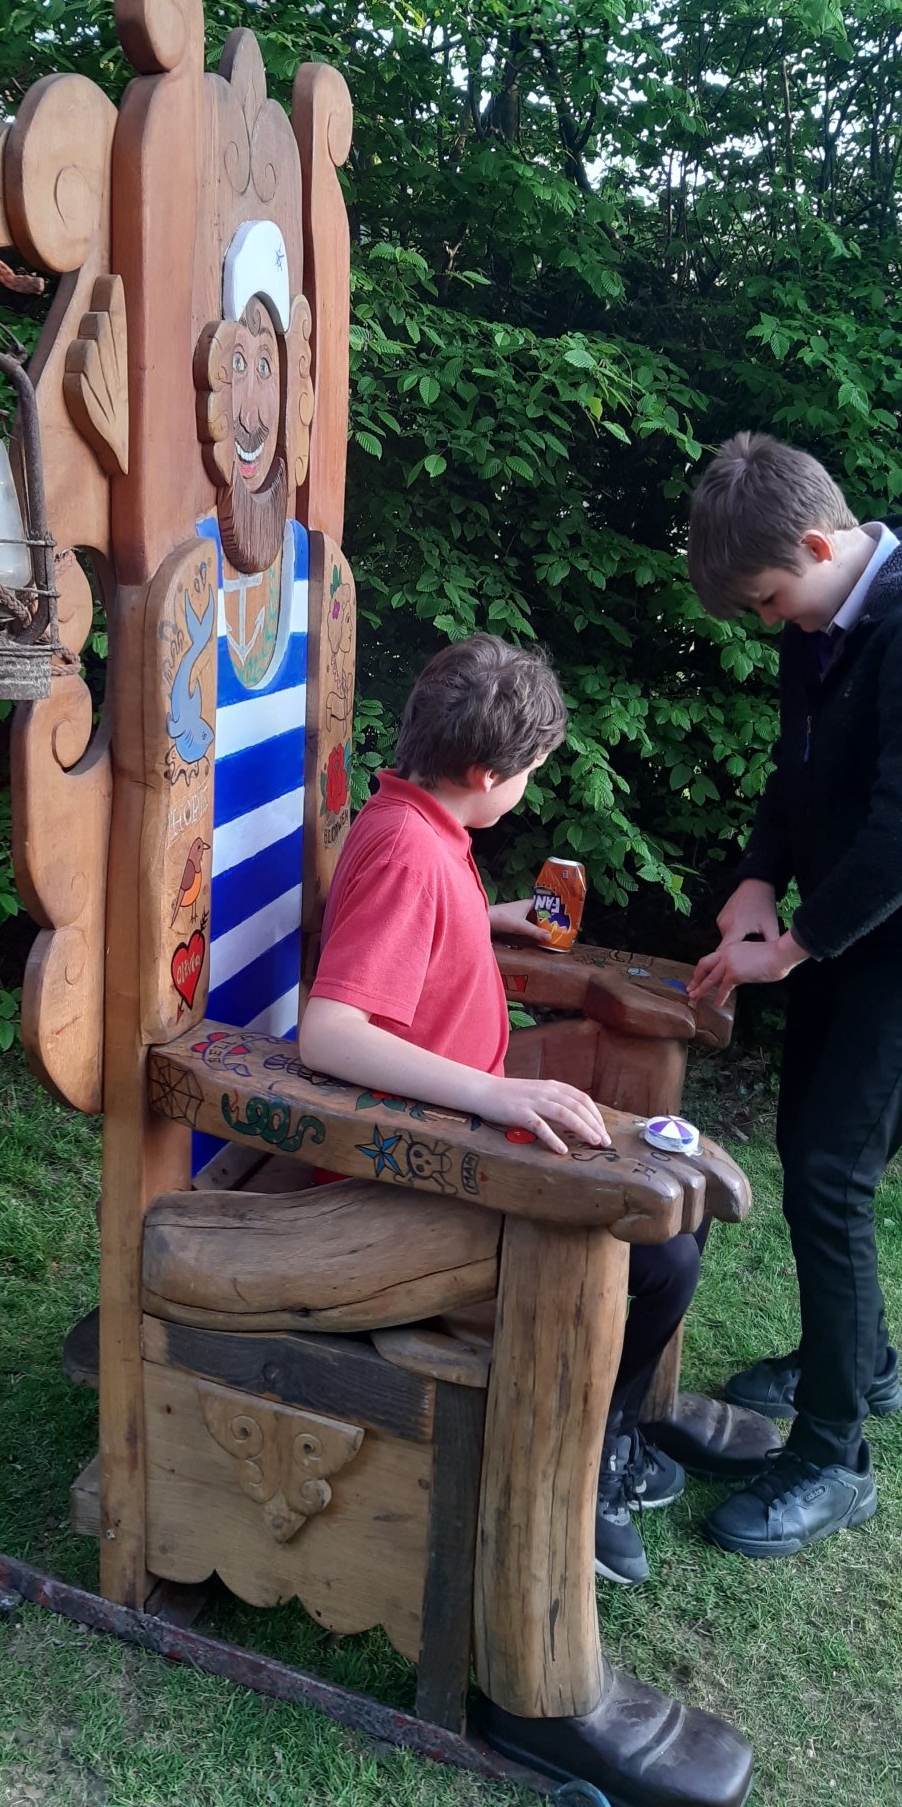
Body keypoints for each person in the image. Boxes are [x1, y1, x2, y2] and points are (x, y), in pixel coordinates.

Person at [300, 632, 702, 1587]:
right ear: (485, 772)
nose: (527, 790)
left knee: (673, 1211)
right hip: (411, 1172)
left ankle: (608, 1433)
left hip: (456, 1141)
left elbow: (401, 927)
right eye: (527, 774)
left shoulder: (420, 823)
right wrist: (498, 1091)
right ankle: (585, 1465)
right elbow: (330, 1033)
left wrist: (491, 919)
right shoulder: (410, 851)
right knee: (661, 1256)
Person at [686, 430, 902, 1561]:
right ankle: (854, 1360)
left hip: (887, 946)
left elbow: (896, 832)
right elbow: (794, 770)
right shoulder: (822, 614)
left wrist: (800, 941)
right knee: (803, 1138)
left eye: (773, 598)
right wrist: (760, 882)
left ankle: (831, 1453)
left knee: (828, 1175)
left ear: (820, 545)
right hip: (843, 938)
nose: (775, 623)